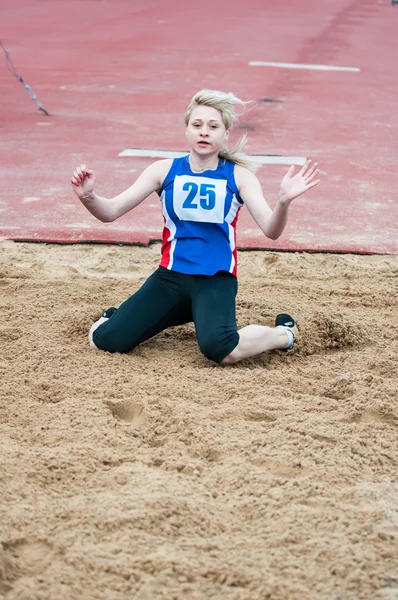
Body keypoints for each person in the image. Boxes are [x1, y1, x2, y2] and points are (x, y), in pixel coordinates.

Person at [70, 89, 320, 365]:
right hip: (171, 278)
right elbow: (110, 212)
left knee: (222, 349)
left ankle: (283, 333)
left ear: (225, 134)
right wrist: (88, 196)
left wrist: (283, 201)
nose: (204, 132)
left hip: (215, 279)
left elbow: (271, 231)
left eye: (213, 127)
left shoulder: (239, 176)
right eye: (197, 125)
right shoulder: (163, 171)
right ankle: (114, 317)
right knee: (104, 341)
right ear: (187, 130)